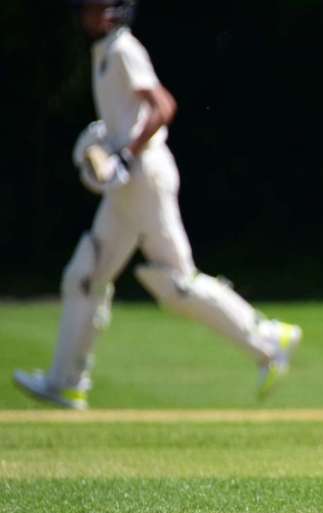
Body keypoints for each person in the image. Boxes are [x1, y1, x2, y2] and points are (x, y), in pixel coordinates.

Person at [13, 0, 301, 410]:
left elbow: (163, 106)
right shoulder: (104, 54)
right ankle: (67, 382)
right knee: (84, 276)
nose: (83, 13)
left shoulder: (124, 50)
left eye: (92, 7)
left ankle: (270, 339)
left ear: (111, 12)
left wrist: (126, 154)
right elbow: (124, 119)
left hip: (145, 179)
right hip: (127, 187)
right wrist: (105, 144)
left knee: (176, 284)